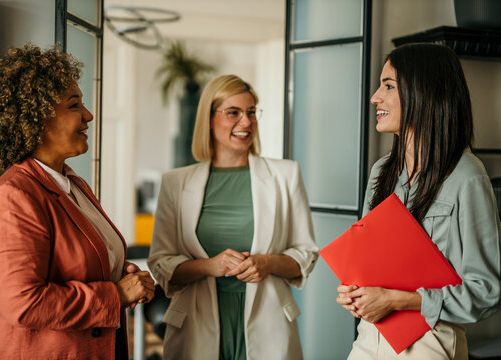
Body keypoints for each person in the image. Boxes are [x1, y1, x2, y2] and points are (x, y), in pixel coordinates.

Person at [0, 44, 155, 359]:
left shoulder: (74, 184)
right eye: (74, 105)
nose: (89, 115)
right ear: (36, 118)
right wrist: (116, 294)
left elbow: (79, 262)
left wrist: (121, 273)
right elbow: (25, 304)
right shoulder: (12, 198)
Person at [336, 43, 501, 359]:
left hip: (429, 341)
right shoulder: (381, 171)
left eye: (388, 86)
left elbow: (486, 292)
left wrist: (399, 300)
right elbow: (365, 263)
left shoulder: (466, 175)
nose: (375, 97)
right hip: (370, 337)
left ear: (422, 91)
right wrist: (354, 291)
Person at [148, 74, 318, 360]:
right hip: (195, 326)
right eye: (234, 113)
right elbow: (161, 264)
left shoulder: (285, 175)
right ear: (209, 119)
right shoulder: (175, 183)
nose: (247, 122)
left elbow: (306, 254)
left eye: (252, 112)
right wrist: (208, 266)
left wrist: (268, 263)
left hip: (270, 324)